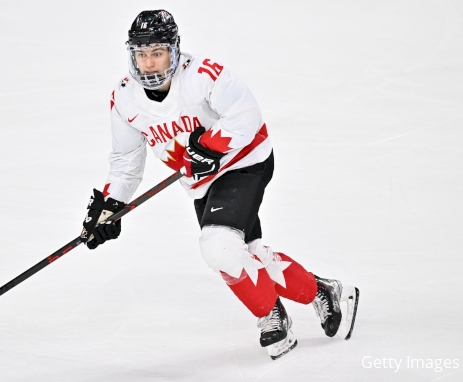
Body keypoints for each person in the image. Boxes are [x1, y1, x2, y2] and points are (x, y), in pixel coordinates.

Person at [79, 9, 359, 360]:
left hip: (245, 163)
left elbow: (246, 115)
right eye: (142, 54)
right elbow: (125, 162)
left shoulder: (202, 75)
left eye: (157, 52)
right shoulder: (124, 97)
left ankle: (271, 315)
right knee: (246, 255)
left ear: (174, 50)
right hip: (201, 183)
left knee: (219, 247)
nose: (149, 63)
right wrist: (110, 204)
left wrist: (211, 146)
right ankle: (325, 292)